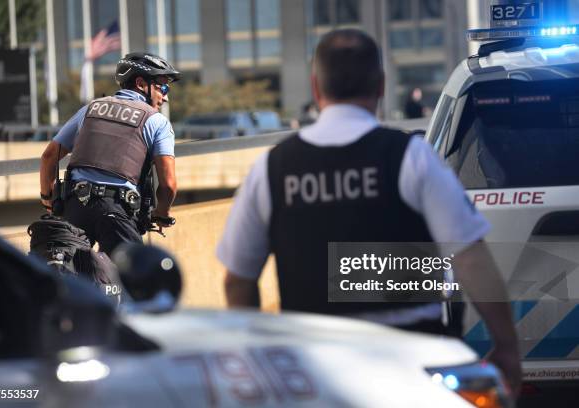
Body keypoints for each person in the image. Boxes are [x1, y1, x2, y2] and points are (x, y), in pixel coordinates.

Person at [216, 29, 521, 395]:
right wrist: (506, 346)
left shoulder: (271, 169)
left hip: (316, 379)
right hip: (410, 375)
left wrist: (260, 357)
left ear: (316, 88)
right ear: (380, 85)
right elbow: (470, 258)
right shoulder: (411, 157)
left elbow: (238, 279)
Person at [39, 52, 179, 256]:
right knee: (135, 279)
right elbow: (168, 185)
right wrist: (162, 213)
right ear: (141, 83)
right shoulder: (157, 121)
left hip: (76, 206)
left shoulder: (90, 109)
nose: (165, 97)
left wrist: (49, 202)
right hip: (117, 210)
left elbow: (49, 157)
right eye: (162, 87)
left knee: (69, 275)